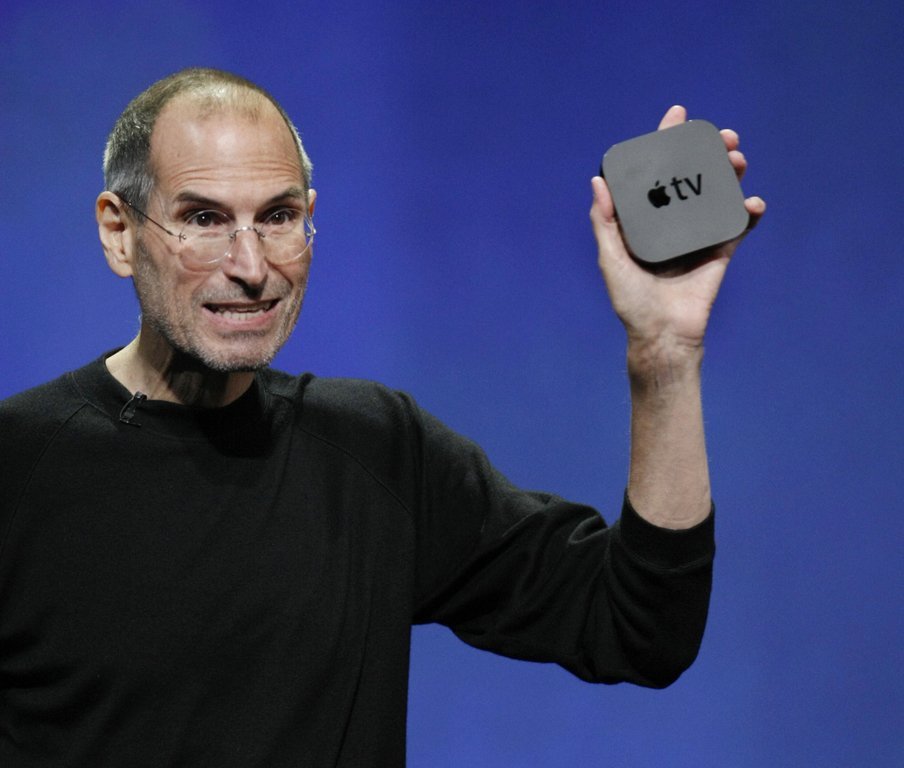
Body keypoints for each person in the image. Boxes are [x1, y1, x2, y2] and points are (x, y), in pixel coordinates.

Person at [0, 68, 765, 766]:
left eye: (278, 216)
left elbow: (640, 628)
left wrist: (664, 356)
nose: (251, 265)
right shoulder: (18, 466)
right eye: (203, 219)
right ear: (119, 231)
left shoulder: (376, 450)